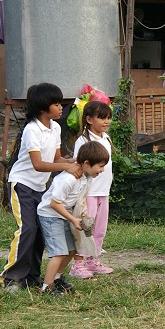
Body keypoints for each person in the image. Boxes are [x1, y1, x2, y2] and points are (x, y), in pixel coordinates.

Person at [0, 83, 81, 291]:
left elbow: (57, 158)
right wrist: (65, 166)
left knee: (40, 232)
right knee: (27, 228)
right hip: (22, 185)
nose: (61, 107)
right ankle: (11, 277)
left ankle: (31, 276)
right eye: (56, 103)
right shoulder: (32, 130)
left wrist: (77, 161)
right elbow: (38, 164)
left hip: (40, 187)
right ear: (43, 107)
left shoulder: (55, 127)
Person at [37, 141, 109, 295]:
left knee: (71, 250)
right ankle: (46, 287)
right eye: (100, 166)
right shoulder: (68, 179)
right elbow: (54, 204)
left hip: (64, 214)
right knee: (59, 253)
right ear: (87, 163)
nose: (102, 170)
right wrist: (73, 219)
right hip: (50, 215)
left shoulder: (87, 177)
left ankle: (57, 279)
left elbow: (81, 197)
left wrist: (82, 213)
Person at [69, 100, 115, 278]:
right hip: (88, 193)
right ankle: (78, 264)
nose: (106, 122)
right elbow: (79, 167)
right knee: (85, 228)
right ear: (89, 119)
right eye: (102, 118)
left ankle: (92, 260)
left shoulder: (106, 137)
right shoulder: (83, 141)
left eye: (108, 118)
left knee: (99, 229)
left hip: (103, 191)